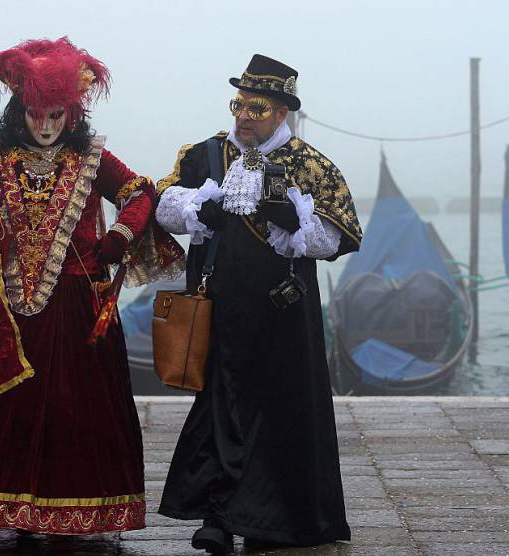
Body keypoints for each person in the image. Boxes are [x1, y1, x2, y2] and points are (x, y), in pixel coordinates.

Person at [0, 37, 184, 536]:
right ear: (19, 111)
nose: (45, 126)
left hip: (77, 310)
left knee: (76, 412)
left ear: (71, 115)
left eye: (56, 116)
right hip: (7, 308)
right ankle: (5, 506)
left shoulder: (94, 157)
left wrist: (118, 236)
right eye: (35, 114)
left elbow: (140, 193)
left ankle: (71, 511)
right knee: (6, 407)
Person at [154, 54, 362, 553]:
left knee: (283, 410)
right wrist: (193, 207)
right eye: (240, 104)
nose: (245, 115)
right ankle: (219, 518)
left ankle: (276, 522)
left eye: (258, 107)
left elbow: (337, 238)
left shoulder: (312, 166)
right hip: (218, 305)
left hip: (283, 313)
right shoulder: (205, 156)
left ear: (282, 112)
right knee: (222, 404)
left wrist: (293, 221)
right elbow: (163, 206)